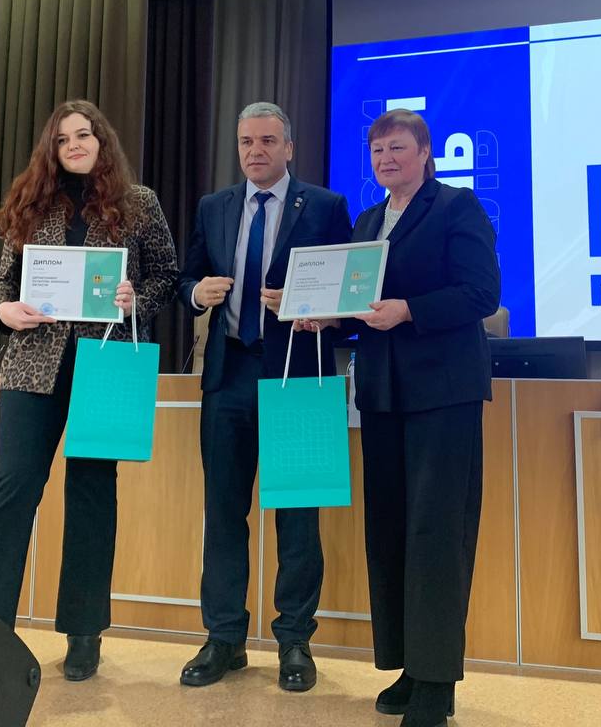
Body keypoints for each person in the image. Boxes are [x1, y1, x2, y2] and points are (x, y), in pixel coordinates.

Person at [0, 100, 178, 682]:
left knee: (91, 496)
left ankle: (83, 631)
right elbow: (3, 281)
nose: (73, 145)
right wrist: (5, 310)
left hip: (105, 365)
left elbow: (166, 274)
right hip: (33, 364)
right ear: (51, 149)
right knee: (10, 491)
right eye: (62, 139)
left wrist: (136, 299)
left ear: (102, 140)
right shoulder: (32, 202)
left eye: (83, 134)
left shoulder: (139, 202)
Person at [300, 108, 499, 727]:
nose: (385, 159)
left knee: (436, 534)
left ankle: (438, 683)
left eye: (397, 148)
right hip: (383, 394)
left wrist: (409, 309)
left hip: (443, 393)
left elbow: (482, 293)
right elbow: (361, 304)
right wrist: (326, 314)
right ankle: (411, 666)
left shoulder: (456, 206)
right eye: (377, 150)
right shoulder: (367, 221)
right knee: (390, 532)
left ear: (425, 152)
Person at [176, 101, 352, 692]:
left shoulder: (325, 207)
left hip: (297, 376)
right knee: (224, 514)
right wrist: (196, 292)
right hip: (228, 375)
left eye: (268, 141)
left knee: (297, 516)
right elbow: (185, 279)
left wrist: (319, 311)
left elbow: (351, 290)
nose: (255, 151)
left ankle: (295, 642)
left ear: (289, 148)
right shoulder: (215, 206)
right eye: (246, 142)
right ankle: (223, 638)